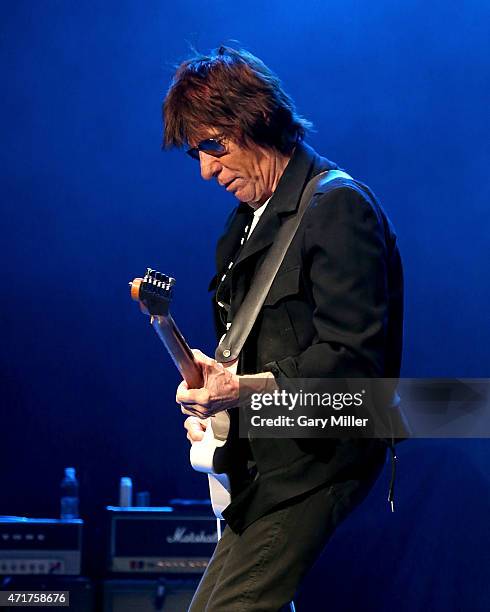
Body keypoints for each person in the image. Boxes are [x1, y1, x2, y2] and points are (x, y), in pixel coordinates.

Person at [162, 46, 403, 612]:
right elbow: (251, 355)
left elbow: (352, 363)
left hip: (320, 458)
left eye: (214, 147)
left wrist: (239, 391)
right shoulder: (246, 223)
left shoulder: (338, 207)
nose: (206, 169)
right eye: (196, 153)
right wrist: (217, 404)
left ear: (255, 120)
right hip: (266, 465)